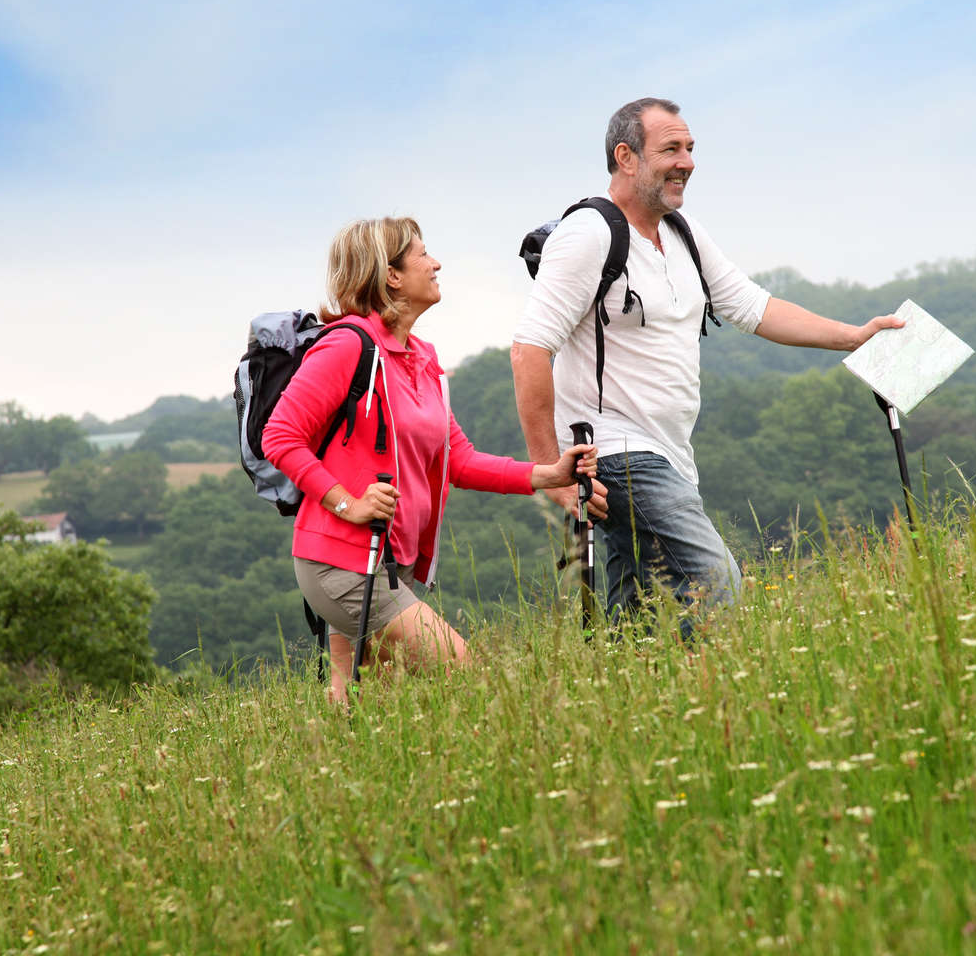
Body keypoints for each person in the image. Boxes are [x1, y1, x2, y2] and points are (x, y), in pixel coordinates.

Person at [511, 97, 903, 635]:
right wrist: (548, 473)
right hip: (617, 453)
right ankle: (725, 698)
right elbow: (530, 349)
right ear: (626, 157)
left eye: (690, 149)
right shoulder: (588, 235)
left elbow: (754, 308)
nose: (688, 162)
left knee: (639, 623)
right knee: (716, 583)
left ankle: (633, 704)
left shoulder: (683, 232)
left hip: (672, 456)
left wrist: (852, 336)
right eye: (670, 149)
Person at [263, 216, 597, 704]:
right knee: (471, 674)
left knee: (360, 703)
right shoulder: (347, 346)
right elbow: (281, 437)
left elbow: (457, 460)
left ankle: (322, 776)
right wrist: (347, 503)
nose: (435, 263)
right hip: (343, 561)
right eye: (422, 253)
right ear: (391, 274)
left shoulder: (422, 358)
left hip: (385, 559)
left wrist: (547, 475)